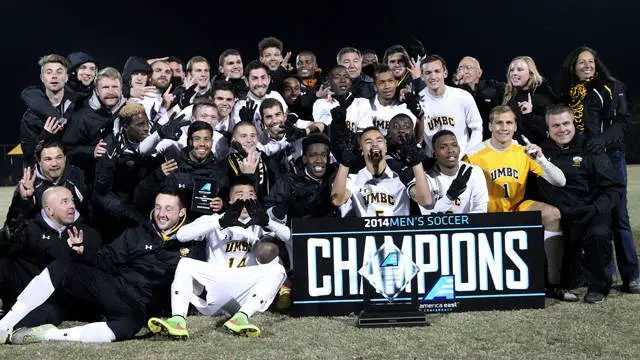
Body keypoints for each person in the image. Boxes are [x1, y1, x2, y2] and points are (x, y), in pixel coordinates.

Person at [0, 189, 190, 344]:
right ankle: (4, 326)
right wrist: (84, 253)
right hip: (115, 290)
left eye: (168, 209)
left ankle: (49, 335)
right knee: (62, 267)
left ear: (181, 213)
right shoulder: (137, 234)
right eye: (158, 207)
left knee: (129, 326)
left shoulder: (191, 242)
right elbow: (105, 259)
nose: (161, 214)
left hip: (139, 306)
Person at [147, 176, 288, 338]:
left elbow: (288, 237)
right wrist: (220, 223)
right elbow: (182, 235)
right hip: (217, 285)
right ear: (229, 199)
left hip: (245, 290)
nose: (245, 199)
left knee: (277, 269)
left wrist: (268, 221)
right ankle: (177, 320)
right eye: (239, 194)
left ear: (256, 198)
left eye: (250, 194)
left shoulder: (259, 223)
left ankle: (241, 318)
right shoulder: (214, 220)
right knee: (185, 263)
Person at [555, 46, 639, 293]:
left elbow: (622, 121)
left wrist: (602, 140)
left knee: (619, 217)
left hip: (610, 157)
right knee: (594, 216)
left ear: (597, 63)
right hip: (583, 160)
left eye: (590, 61)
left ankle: (631, 274)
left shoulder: (611, 86)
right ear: (574, 66)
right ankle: (605, 273)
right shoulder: (569, 93)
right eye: (581, 62)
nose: (586, 65)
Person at [465, 105, 567, 298]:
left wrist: (542, 159)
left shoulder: (524, 152)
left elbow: (560, 181)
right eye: (499, 123)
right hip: (485, 214)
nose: (504, 128)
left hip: (515, 209)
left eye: (509, 123)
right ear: (490, 126)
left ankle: (554, 282)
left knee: (553, 215)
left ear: (515, 127)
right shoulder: (474, 155)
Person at [537, 105, 624, 303]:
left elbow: (614, 187)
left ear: (574, 123)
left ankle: (599, 287)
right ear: (548, 129)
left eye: (566, 123)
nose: (562, 129)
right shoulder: (540, 153)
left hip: (591, 210)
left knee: (598, 235)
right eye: (556, 125)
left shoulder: (590, 148)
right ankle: (565, 278)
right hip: (563, 215)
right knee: (569, 278)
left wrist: (595, 208)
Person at [0, 184, 102, 314]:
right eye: (65, 202)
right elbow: (7, 241)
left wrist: (80, 255)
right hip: (30, 292)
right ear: (49, 210)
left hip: (68, 300)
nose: (72, 206)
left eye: (72, 201)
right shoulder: (30, 229)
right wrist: (21, 203)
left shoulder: (89, 235)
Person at [331, 126, 432, 217]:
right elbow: (337, 200)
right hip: (365, 235)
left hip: (398, 234)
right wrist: (344, 164)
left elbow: (427, 202)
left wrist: (416, 163)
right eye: (368, 142)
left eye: (379, 140)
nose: (374, 144)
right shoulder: (354, 177)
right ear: (361, 148)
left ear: (386, 147)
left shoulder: (402, 175)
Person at [4, 141, 87, 230]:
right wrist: (24, 200)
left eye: (59, 158)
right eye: (48, 159)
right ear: (39, 161)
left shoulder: (77, 176)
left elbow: (89, 212)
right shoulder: (29, 183)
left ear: (65, 158)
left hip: (75, 234)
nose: (54, 164)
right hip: (42, 238)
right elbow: (12, 225)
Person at [418, 55, 483, 157]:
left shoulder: (463, 96)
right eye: (428, 73)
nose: (433, 77)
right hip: (432, 163)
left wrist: (468, 155)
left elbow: (477, 128)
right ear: (422, 76)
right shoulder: (418, 100)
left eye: (437, 71)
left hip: (461, 160)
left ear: (445, 73)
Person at [62, 67, 125, 169]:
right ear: (97, 91)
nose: (111, 91)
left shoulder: (129, 111)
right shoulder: (81, 116)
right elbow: (68, 150)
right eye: (105, 87)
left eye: (115, 87)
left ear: (121, 89)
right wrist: (92, 151)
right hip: (92, 176)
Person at [20, 54, 75, 166]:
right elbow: (29, 155)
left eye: (59, 72)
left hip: (75, 174)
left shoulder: (77, 107)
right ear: (42, 78)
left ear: (66, 77)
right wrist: (45, 134)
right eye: (49, 72)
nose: (54, 76)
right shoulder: (30, 116)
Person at [420, 130, 488, 214]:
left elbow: (480, 209)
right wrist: (450, 195)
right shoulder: (425, 178)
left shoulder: (474, 172)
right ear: (434, 154)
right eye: (443, 147)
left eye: (454, 145)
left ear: (459, 149)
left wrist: (462, 224)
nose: (450, 150)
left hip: (467, 226)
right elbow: (427, 214)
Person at [502, 56, 557, 145]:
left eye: (520, 70)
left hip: (537, 151)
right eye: (512, 70)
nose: (514, 73)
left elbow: (549, 129)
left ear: (531, 73)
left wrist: (529, 116)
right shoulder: (510, 94)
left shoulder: (543, 96)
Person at [452, 56, 505, 140]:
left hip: (490, 139)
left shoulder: (493, 86)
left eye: (468, 68)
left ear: (479, 73)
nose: (464, 71)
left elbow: (511, 88)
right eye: (460, 68)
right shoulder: (453, 92)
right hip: (463, 139)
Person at [230, 60, 288, 133]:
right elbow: (237, 138)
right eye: (254, 78)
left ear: (269, 79)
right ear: (246, 81)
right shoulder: (240, 106)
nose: (260, 83)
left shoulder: (276, 95)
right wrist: (246, 124)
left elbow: (288, 121)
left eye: (263, 77)